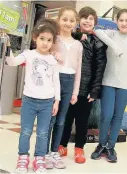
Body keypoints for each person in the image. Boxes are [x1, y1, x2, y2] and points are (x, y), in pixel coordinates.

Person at [58, 6, 116, 164]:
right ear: (79, 20)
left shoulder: (98, 43)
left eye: (91, 19)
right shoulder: (71, 36)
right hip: (67, 86)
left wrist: (95, 90)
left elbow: (100, 69)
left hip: (85, 89)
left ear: (95, 22)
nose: (87, 21)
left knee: (82, 120)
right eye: (84, 17)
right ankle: (62, 145)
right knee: (65, 118)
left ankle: (79, 148)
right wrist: (77, 34)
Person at [90, 9, 127, 163]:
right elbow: (96, 31)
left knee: (117, 116)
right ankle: (101, 144)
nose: (124, 23)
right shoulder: (111, 34)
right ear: (116, 21)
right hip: (108, 81)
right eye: (121, 20)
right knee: (106, 115)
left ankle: (110, 146)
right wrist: (114, 46)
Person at [6, 18, 60, 173]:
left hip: (47, 102)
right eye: (42, 39)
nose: (45, 43)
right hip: (29, 101)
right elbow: (11, 62)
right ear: (35, 38)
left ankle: (39, 158)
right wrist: (7, 44)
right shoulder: (28, 54)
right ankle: (23, 157)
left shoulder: (52, 60)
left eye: (49, 40)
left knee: (43, 133)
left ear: (52, 42)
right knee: (26, 131)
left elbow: (56, 82)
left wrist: (56, 101)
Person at [46, 6, 83, 169]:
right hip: (54, 80)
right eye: (65, 19)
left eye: (71, 20)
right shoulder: (52, 40)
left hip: (69, 82)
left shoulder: (78, 45)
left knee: (62, 120)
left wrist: (75, 91)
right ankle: (44, 153)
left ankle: (55, 151)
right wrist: (52, 54)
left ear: (76, 24)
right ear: (58, 20)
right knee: (50, 118)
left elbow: (79, 71)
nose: (68, 23)